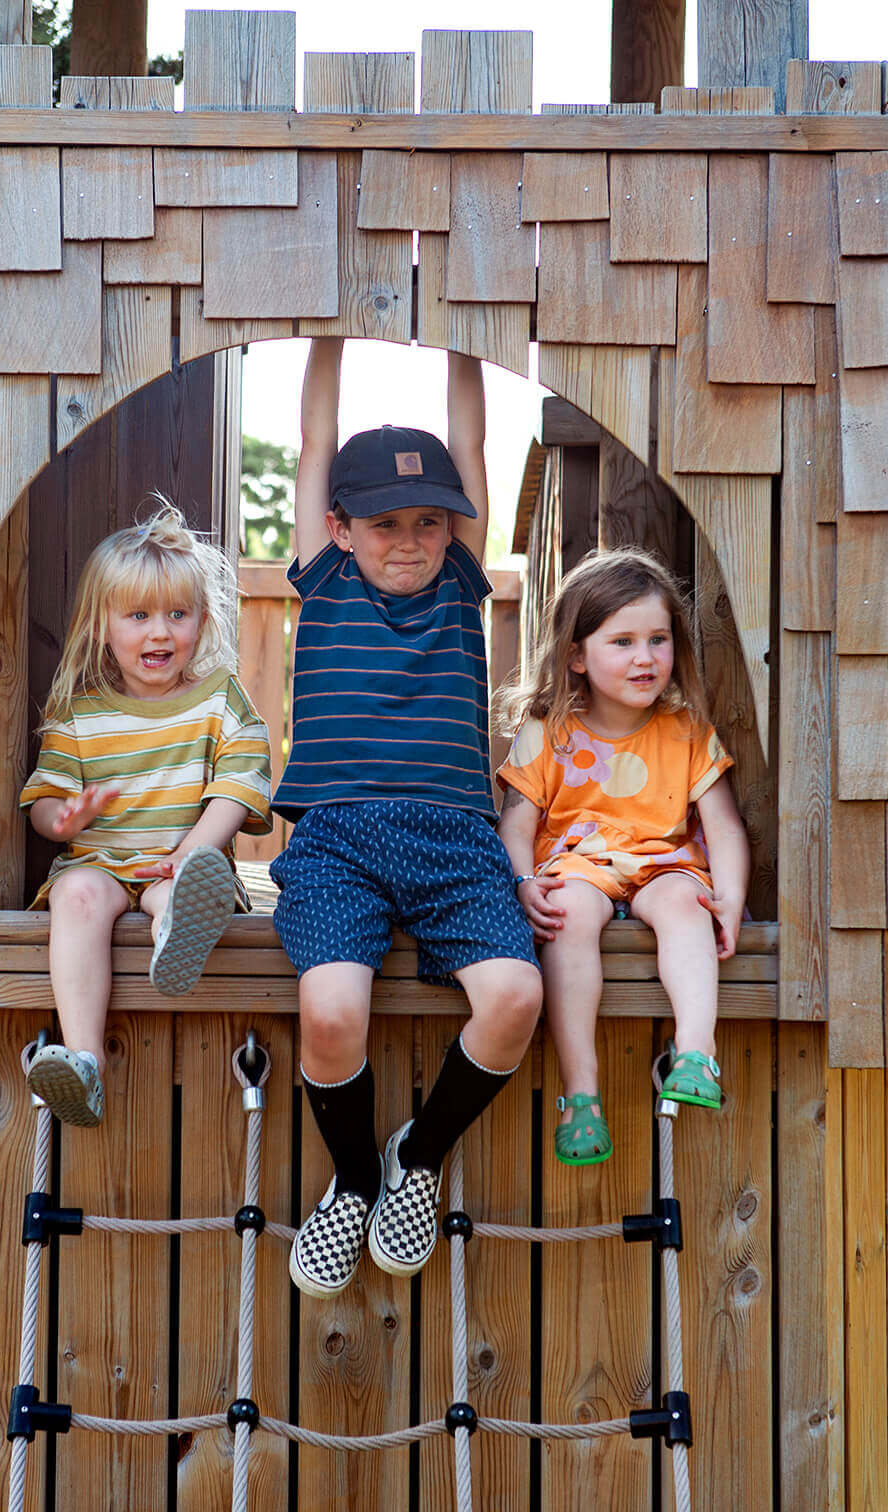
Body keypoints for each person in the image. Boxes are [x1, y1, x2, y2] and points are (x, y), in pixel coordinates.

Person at [271, 337, 543, 1298]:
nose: (410, 540)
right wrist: (328, 337)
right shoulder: (329, 580)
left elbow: (473, 441)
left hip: (456, 842)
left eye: (430, 522)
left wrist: (465, 343)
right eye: (386, 521)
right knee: (332, 1010)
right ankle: (351, 1181)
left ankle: (416, 1159)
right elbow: (315, 441)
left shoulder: (461, 589)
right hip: (338, 840)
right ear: (340, 527)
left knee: (514, 998)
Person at [20, 499, 272, 1127]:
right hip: (102, 863)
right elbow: (45, 802)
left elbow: (241, 781)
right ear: (102, 625)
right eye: (138, 616)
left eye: (176, 615)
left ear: (202, 620)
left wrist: (194, 849)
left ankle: (175, 939)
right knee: (75, 893)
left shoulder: (219, 699)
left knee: (181, 891)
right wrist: (64, 821)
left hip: (180, 862)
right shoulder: (81, 714)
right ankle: (84, 1063)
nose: (160, 632)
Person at [496, 548, 750, 1166]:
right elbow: (516, 824)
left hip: (663, 862)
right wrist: (524, 880)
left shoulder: (685, 728)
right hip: (577, 866)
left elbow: (723, 826)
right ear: (577, 655)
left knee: (687, 904)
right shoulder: (550, 729)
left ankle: (696, 1052)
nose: (645, 658)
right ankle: (581, 1093)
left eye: (658, 639)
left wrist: (731, 897)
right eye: (624, 642)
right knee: (569, 916)